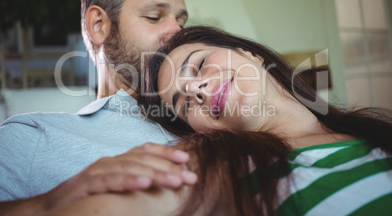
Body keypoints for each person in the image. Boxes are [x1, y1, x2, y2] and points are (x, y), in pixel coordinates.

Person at [47, 26, 392, 215]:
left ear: (248, 53)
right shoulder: (220, 172)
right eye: (184, 104)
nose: (196, 88)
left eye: (197, 66)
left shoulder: (372, 131)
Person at [0, 0, 197, 215]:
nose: (178, 32)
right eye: (154, 17)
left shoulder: (205, 114)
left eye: (181, 21)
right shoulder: (33, 137)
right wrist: (43, 205)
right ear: (99, 25)